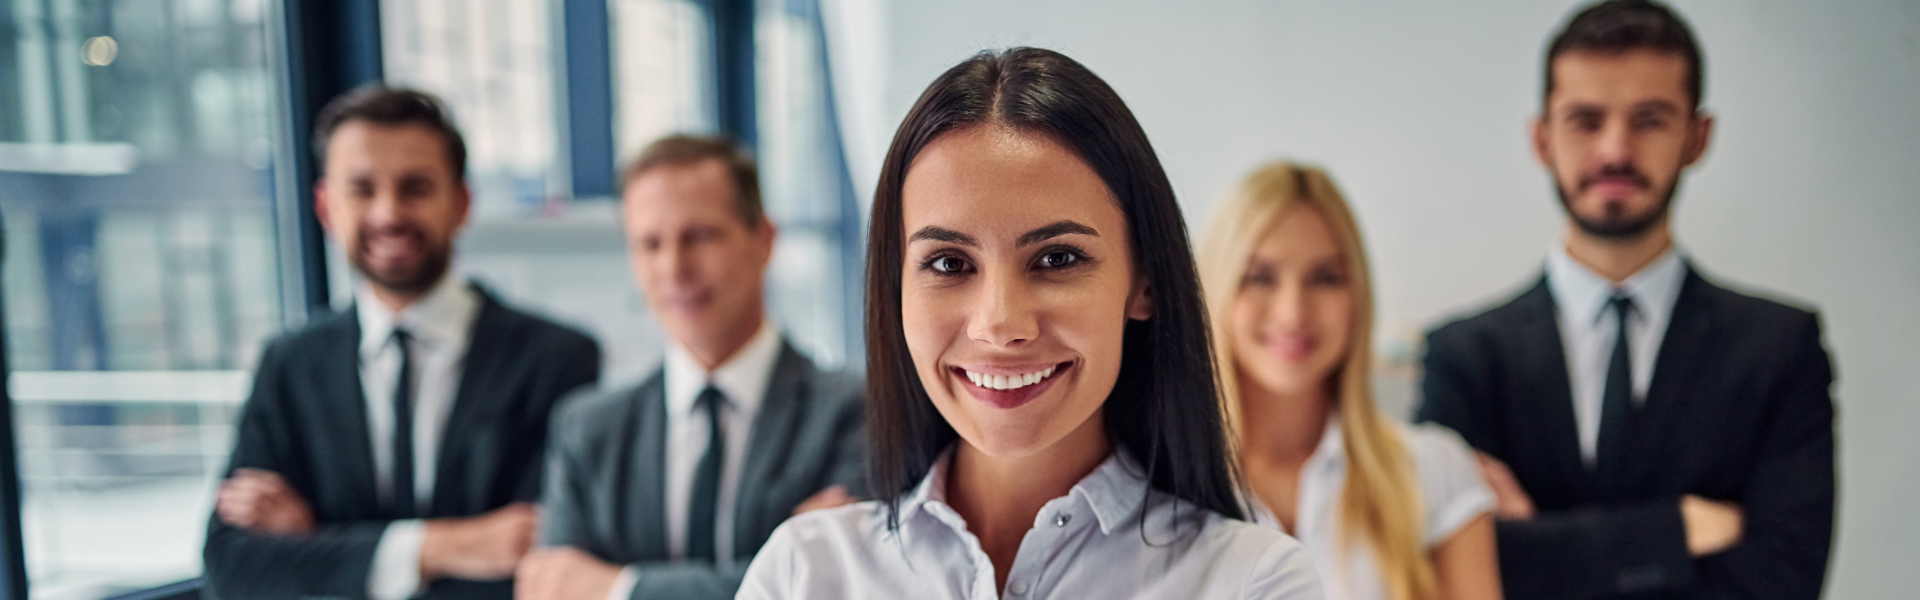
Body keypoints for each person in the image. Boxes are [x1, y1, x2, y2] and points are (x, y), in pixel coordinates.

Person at [736, 47, 1323, 600]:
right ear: (895, 289)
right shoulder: (804, 574)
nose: (1000, 323)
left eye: (1057, 259)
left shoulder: (1253, 581)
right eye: (949, 263)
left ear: (1144, 282)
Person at [1415, 2, 1837, 599]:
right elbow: (1444, 573)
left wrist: (1543, 545)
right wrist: (1680, 528)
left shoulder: (1780, 349)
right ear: (1541, 139)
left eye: (1650, 119)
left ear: (1698, 136)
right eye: (1586, 120)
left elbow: (1783, 578)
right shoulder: (1462, 359)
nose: (1615, 150)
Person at [203, 86, 602, 600]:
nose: (389, 213)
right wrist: (440, 546)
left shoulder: (556, 359)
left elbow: (538, 573)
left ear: (461, 203)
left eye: (415, 188)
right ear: (326, 208)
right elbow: (232, 566)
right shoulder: (289, 364)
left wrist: (320, 543)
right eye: (363, 189)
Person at [514, 135, 866, 600]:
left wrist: (619, 589)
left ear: (763, 240)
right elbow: (552, 591)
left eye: (698, 236)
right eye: (650, 243)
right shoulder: (588, 431)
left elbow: (839, 587)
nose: (674, 268)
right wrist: (777, 570)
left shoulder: (857, 412)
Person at [1199, 163, 1501, 600]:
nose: (1292, 312)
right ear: (1215, 288)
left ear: (1357, 295)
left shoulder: (1435, 473)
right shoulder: (1156, 489)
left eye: (1324, 278)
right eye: (1260, 277)